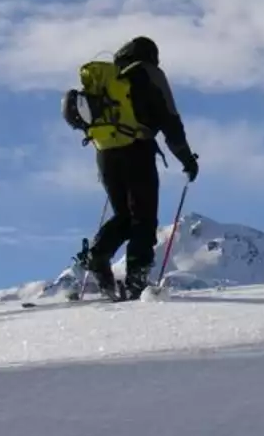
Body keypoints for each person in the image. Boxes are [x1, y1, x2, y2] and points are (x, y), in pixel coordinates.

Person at [61, 36, 199, 300]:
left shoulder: (112, 81)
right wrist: (186, 159)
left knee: (124, 215)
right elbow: (170, 120)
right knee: (144, 216)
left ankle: (99, 254)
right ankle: (137, 277)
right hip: (137, 148)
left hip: (104, 152)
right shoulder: (150, 74)